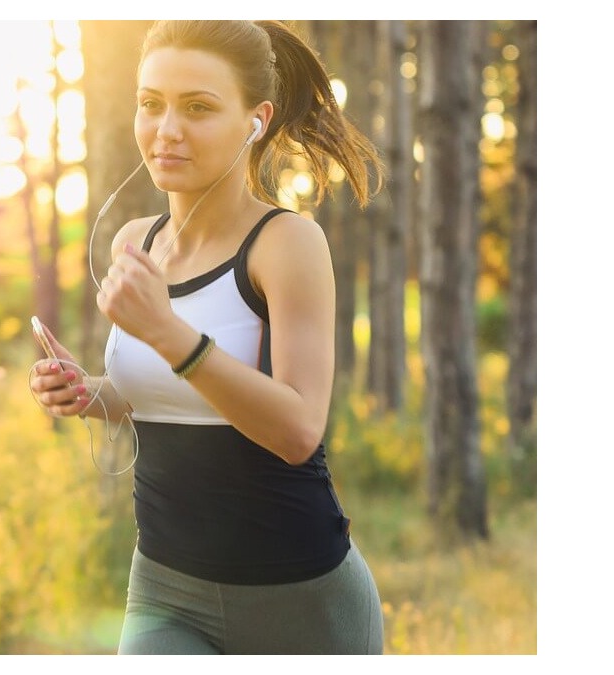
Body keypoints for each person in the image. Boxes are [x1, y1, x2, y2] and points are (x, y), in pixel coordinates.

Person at [28, 20, 385, 654]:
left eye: (198, 107)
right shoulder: (134, 241)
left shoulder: (285, 244)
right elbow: (161, 395)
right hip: (165, 590)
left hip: (300, 599)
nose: (166, 130)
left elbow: (299, 430)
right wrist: (90, 393)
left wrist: (167, 332)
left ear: (257, 119)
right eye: (150, 104)